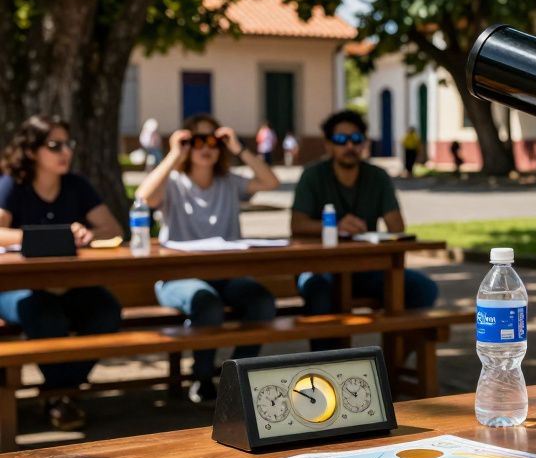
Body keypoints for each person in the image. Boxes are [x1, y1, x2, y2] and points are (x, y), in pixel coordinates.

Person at [134, 113, 282, 403]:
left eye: (214, 140)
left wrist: (239, 148)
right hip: (178, 278)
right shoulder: (174, 182)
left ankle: (237, 376)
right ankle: (201, 379)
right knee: (206, 302)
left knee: (262, 301)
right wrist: (174, 154)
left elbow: (271, 182)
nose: (206, 146)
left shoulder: (229, 182)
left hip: (226, 274)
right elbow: (143, 197)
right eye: (197, 140)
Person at [0, 115, 124, 430]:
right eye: (54, 145)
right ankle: (63, 396)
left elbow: (112, 228)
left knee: (107, 311)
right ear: (31, 151)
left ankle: (58, 393)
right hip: (18, 288)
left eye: (68, 144)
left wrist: (87, 234)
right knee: (44, 316)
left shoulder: (77, 184)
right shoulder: (12, 184)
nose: (64, 151)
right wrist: (45, 236)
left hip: (69, 285)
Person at [290, 110, 438, 349]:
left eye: (356, 139)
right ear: (328, 145)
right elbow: (297, 225)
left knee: (423, 289)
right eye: (341, 140)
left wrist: (381, 229)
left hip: (364, 267)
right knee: (318, 292)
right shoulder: (313, 175)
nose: (350, 145)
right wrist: (335, 227)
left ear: (364, 143)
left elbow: (397, 228)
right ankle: (324, 370)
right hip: (319, 266)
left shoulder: (377, 176)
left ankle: (392, 367)